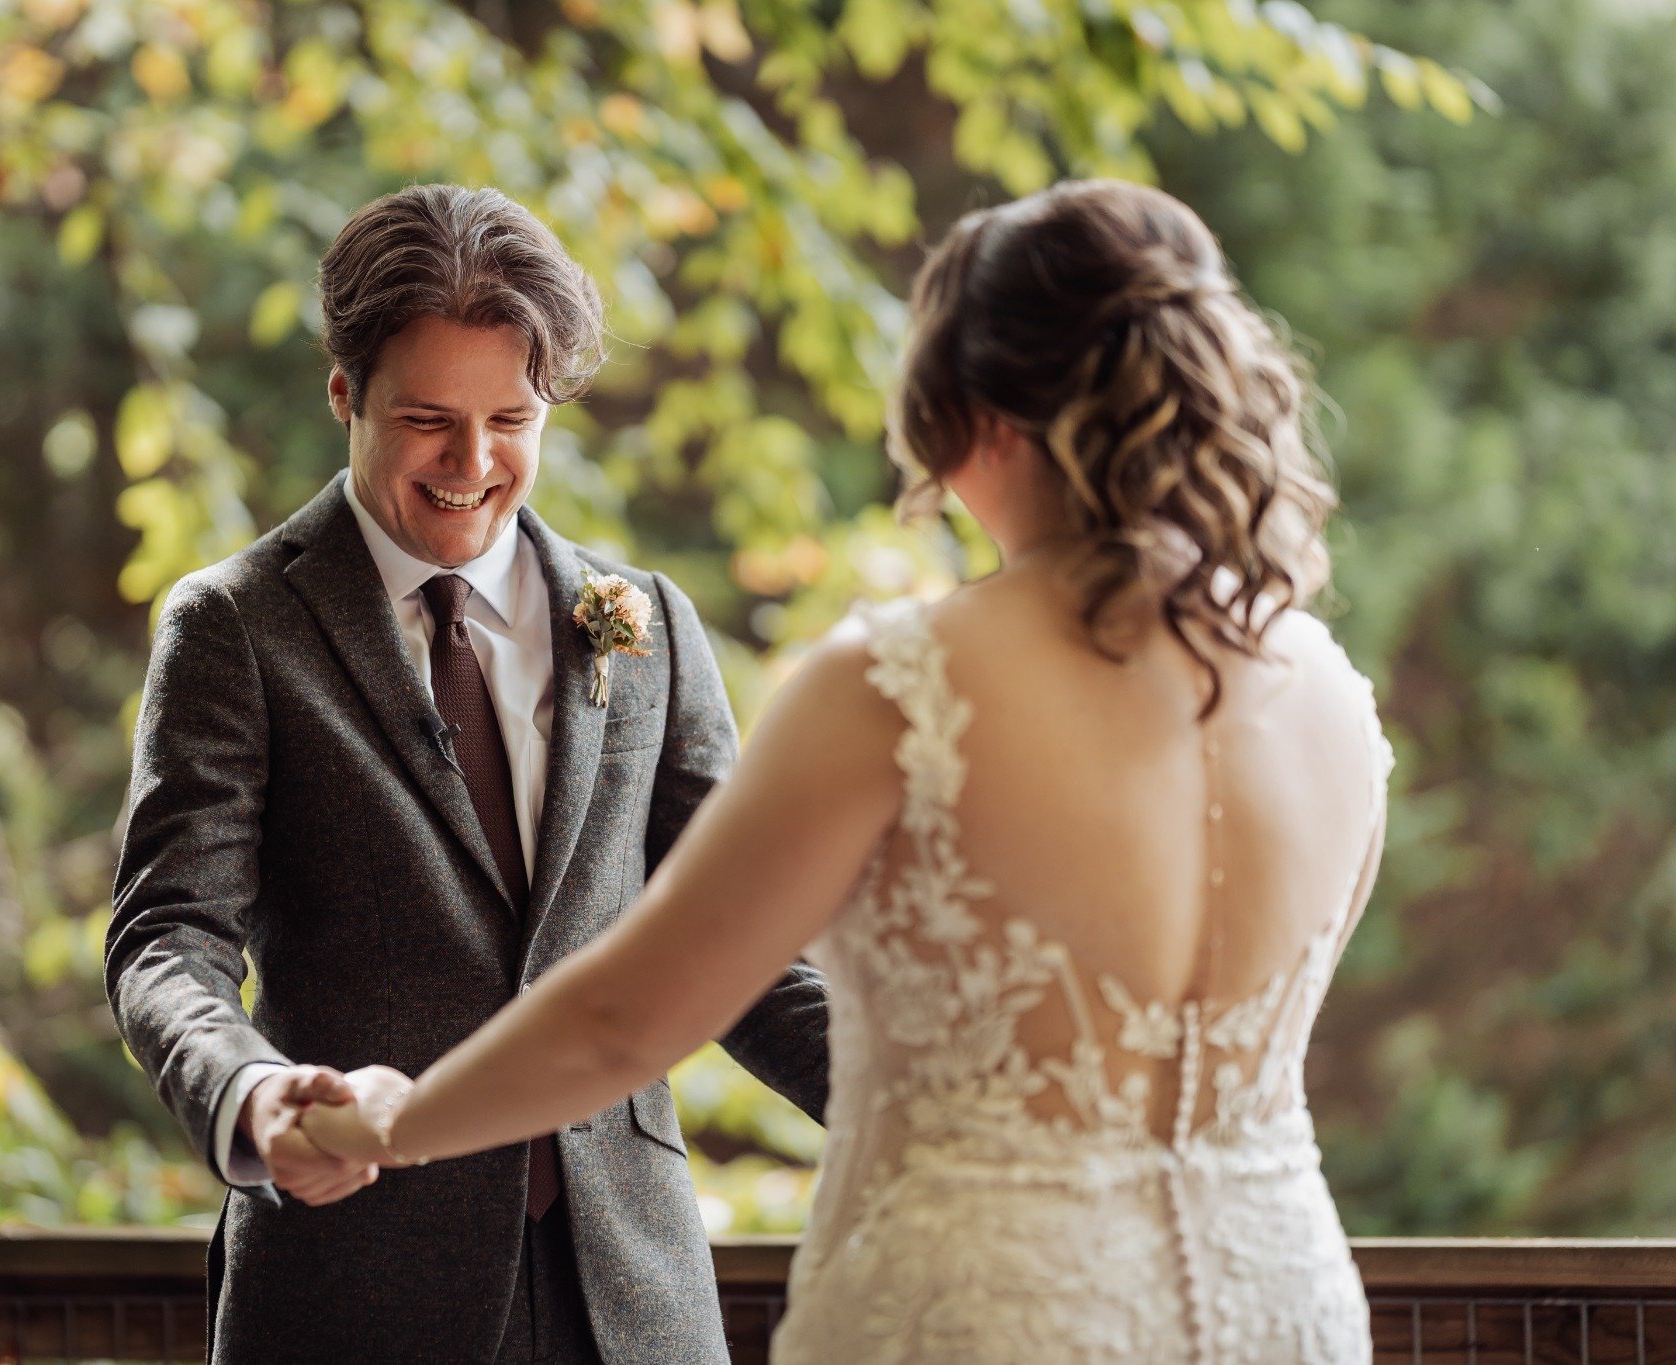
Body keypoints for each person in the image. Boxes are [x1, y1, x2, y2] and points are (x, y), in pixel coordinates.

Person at [303, 179, 1392, 1364]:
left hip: (987, 1316)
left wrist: (393, 1123)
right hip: (1282, 1302)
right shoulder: (1325, 691)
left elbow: (628, 1016)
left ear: (961, 408)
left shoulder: (897, 683)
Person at [105, 184, 830, 1364]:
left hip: (631, 1295)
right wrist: (250, 1095)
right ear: (344, 393)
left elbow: (739, 947)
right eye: (428, 419)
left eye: (512, 420)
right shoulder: (233, 628)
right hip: (352, 1287)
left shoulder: (644, 620)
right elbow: (165, 938)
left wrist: (922, 1110)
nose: (473, 463)